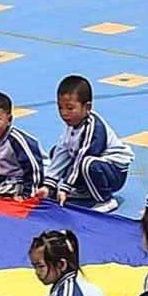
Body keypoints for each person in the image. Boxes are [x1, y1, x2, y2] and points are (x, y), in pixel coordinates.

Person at [42, 74, 133, 212]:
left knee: (87, 163)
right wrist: (49, 184)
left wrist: (65, 187)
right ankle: (84, 190)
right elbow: (62, 152)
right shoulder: (71, 124)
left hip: (114, 172)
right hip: (89, 164)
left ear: (87, 107)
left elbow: (81, 158)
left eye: (70, 108)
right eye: (60, 107)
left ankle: (106, 199)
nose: (64, 113)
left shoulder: (93, 128)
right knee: (56, 151)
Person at [0, 89, 45, 197]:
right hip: (8, 177)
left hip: (33, 177)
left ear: (9, 119)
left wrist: (28, 195)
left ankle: (23, 190)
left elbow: (34, 168)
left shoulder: (16, 140)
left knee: (5, 189)